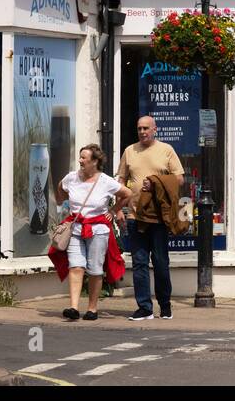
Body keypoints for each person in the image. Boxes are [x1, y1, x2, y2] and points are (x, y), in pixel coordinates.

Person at [116, 115, 184, 321]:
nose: (142, 132)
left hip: (159, 217)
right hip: (135, 216)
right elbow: (120, 180)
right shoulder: (129, 151)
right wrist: (118, 208)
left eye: (146, 128)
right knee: (138, 263)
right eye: (139, 128)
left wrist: (156, 183)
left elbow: (179, 179)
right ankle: (144, 307)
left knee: (161, 262)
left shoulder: (166, 150)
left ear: (155, 129)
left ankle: (165, 305)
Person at [54, 145, 131, 321]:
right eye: (80, 157)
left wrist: (113, 210)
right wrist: (62, 200)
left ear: (95, 161)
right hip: (75, 227)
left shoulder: (105, 181)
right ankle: (73, 307)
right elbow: (60, 187)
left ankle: (92, 308)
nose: (80, 160)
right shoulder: (72, 178)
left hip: (98, 229)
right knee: (75, 266)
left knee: (95, 269)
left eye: (84, 158)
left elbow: (128, 193)